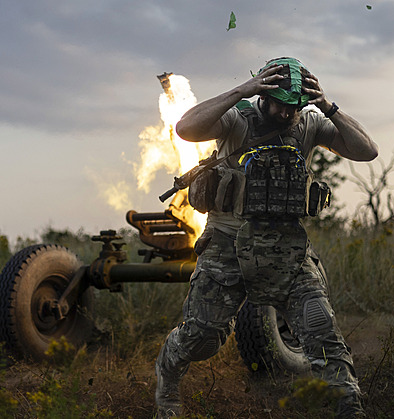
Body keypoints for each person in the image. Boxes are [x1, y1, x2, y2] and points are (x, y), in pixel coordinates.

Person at [154, 57, 378, 418]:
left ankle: (350, 408)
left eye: (294, 106)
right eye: (280, 104)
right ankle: (167, 377)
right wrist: (243, 89)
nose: (287, 114)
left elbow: (367, 150)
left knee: (322, 333)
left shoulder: (309, 123)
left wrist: (327, 106)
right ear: (264, 93)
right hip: (228, 244)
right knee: (202, 338)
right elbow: (186, 128)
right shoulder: (237, 118)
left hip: (287, 250)